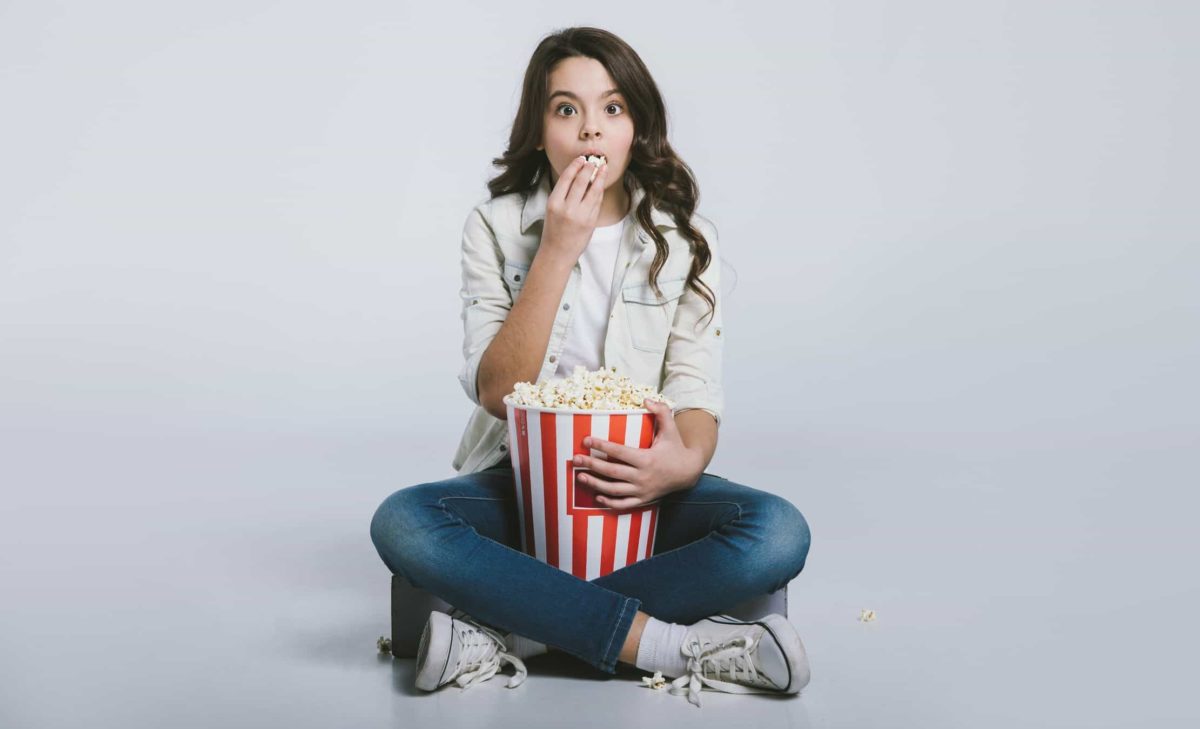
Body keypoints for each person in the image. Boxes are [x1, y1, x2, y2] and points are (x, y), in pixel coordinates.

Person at [370, 27, 813, 707]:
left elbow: (695, 387)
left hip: (642, 490)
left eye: (611, 109)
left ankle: (504, 637)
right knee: (404, 521)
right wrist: (558, 248)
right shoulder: (493, 226)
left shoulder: (686, 237)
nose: (590, 132)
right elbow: (498, 391)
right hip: (523, 484)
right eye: (566, 109)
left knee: (778, 530)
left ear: (637, 126)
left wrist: (682, 464)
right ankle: (673, 645)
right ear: (539, 127)